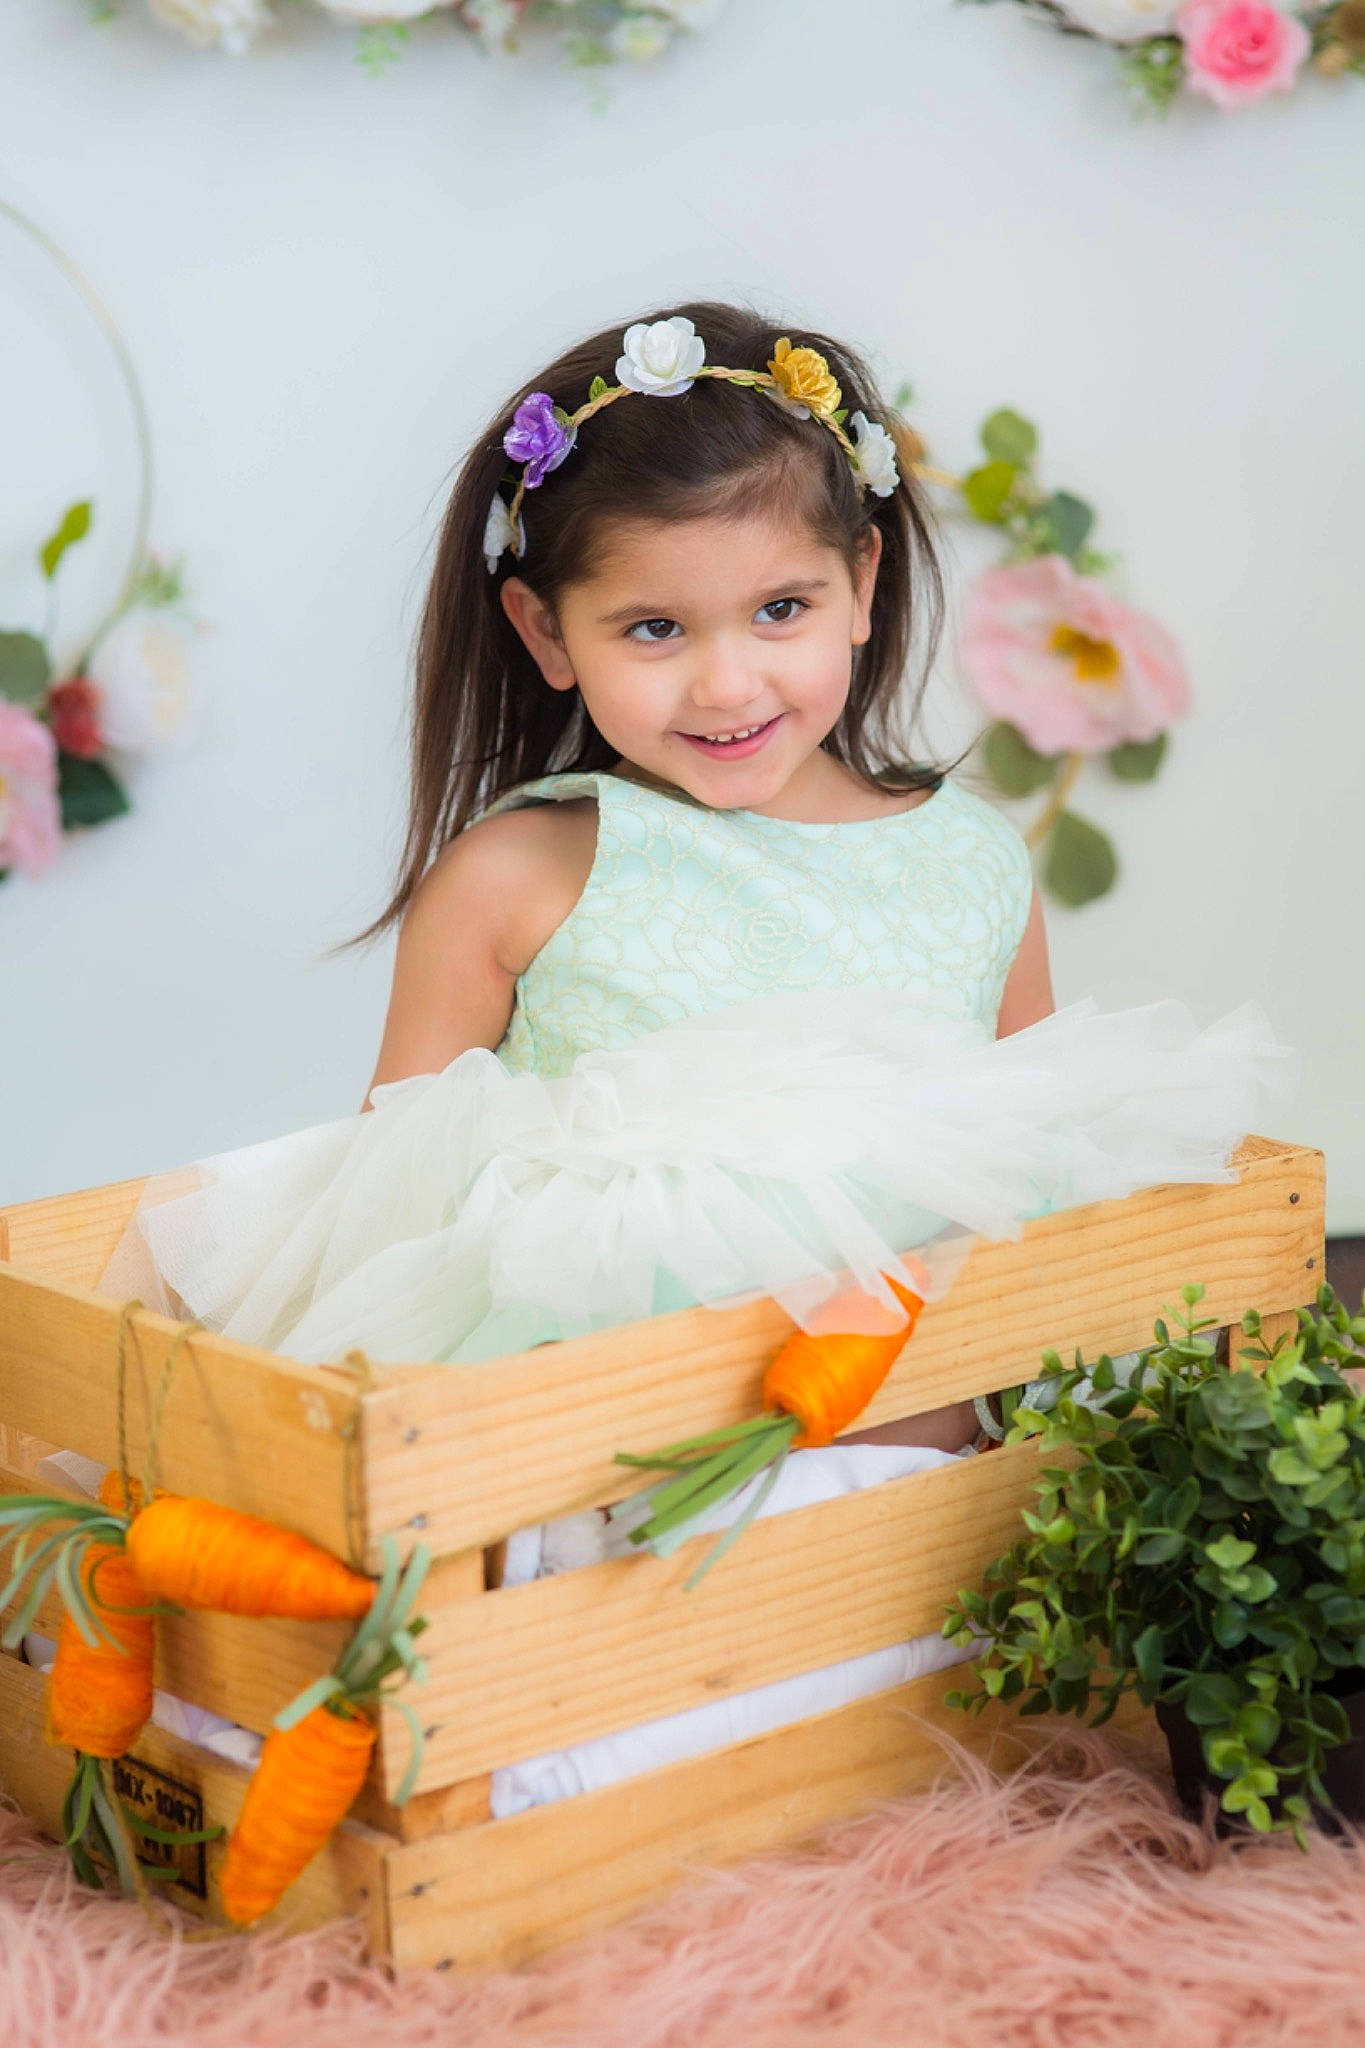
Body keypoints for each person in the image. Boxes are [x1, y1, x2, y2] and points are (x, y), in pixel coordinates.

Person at [92, 301, 1293, 1812]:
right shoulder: (525, 872)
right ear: (545, 632)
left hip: (895, 1441)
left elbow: (1043, 1167)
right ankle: (530, 1698)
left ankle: (764, 1674)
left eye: (779, 611)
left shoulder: (969, 861)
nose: (728, 686)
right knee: (499, 1665)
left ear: (862, 584)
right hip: (586, 1443)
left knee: (888, 1565)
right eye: (654, 630)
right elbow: (391, 1187)